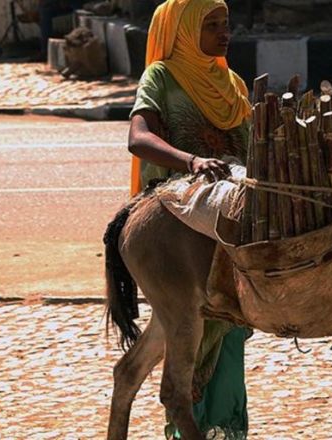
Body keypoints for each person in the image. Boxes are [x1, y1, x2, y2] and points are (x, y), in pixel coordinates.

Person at [126, 0, 253, 438]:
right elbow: (138, 138)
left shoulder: (233, 83)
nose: (223, 33)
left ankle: (228, 431)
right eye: (210, 25)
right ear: (180, 31)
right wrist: (192, 161)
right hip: (182, 221)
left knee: (233, 329)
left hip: (234, 220)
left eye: (226, 24)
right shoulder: (161, 76)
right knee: (188, 330)